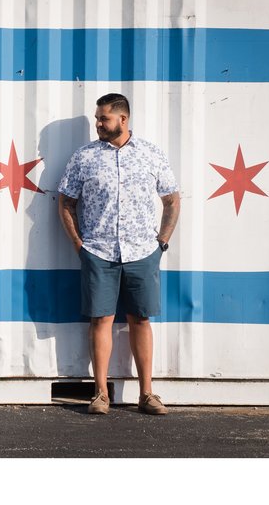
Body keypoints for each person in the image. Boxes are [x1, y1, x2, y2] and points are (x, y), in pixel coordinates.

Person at [57, 93, 180, 415]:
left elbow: (172, 199)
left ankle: (148, 394)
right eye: (98, 118)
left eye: (103, 119)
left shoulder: (151, 154)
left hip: (142, 250)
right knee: (101, 319)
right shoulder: (84, 157)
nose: (98, 124)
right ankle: (100, 393)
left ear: (122, 120)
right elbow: (65, 201)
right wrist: (79, 245)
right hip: (98, 251)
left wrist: (162, 242)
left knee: (140, 319)